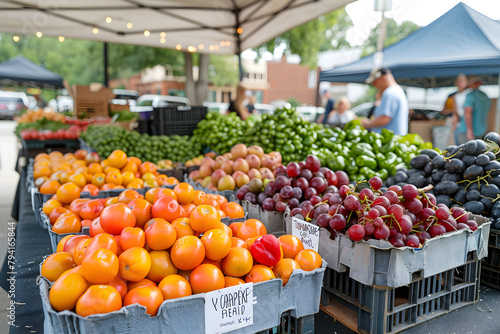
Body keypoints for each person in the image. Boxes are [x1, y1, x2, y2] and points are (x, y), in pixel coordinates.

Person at [361, 68, 409, 136]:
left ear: (383, 78)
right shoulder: (397, 90)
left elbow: (384, 119)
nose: (374, 85)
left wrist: (367, 123)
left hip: (389, 142)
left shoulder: (389, 93)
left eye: (375, 82)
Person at [456, 76, 490, 143]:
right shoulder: (485, 96)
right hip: (482, 131)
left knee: (464, 152)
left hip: (467, 132)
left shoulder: (470, 95)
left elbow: (467, 113)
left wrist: (469, 131)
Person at [442, 74, 469, 144]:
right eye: (459, 81)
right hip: (457, 123)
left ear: (466, 82)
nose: (461, 83)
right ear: (456, 83)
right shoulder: (452, 96)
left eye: (462, 81)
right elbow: (446, 111)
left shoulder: (469, 95)